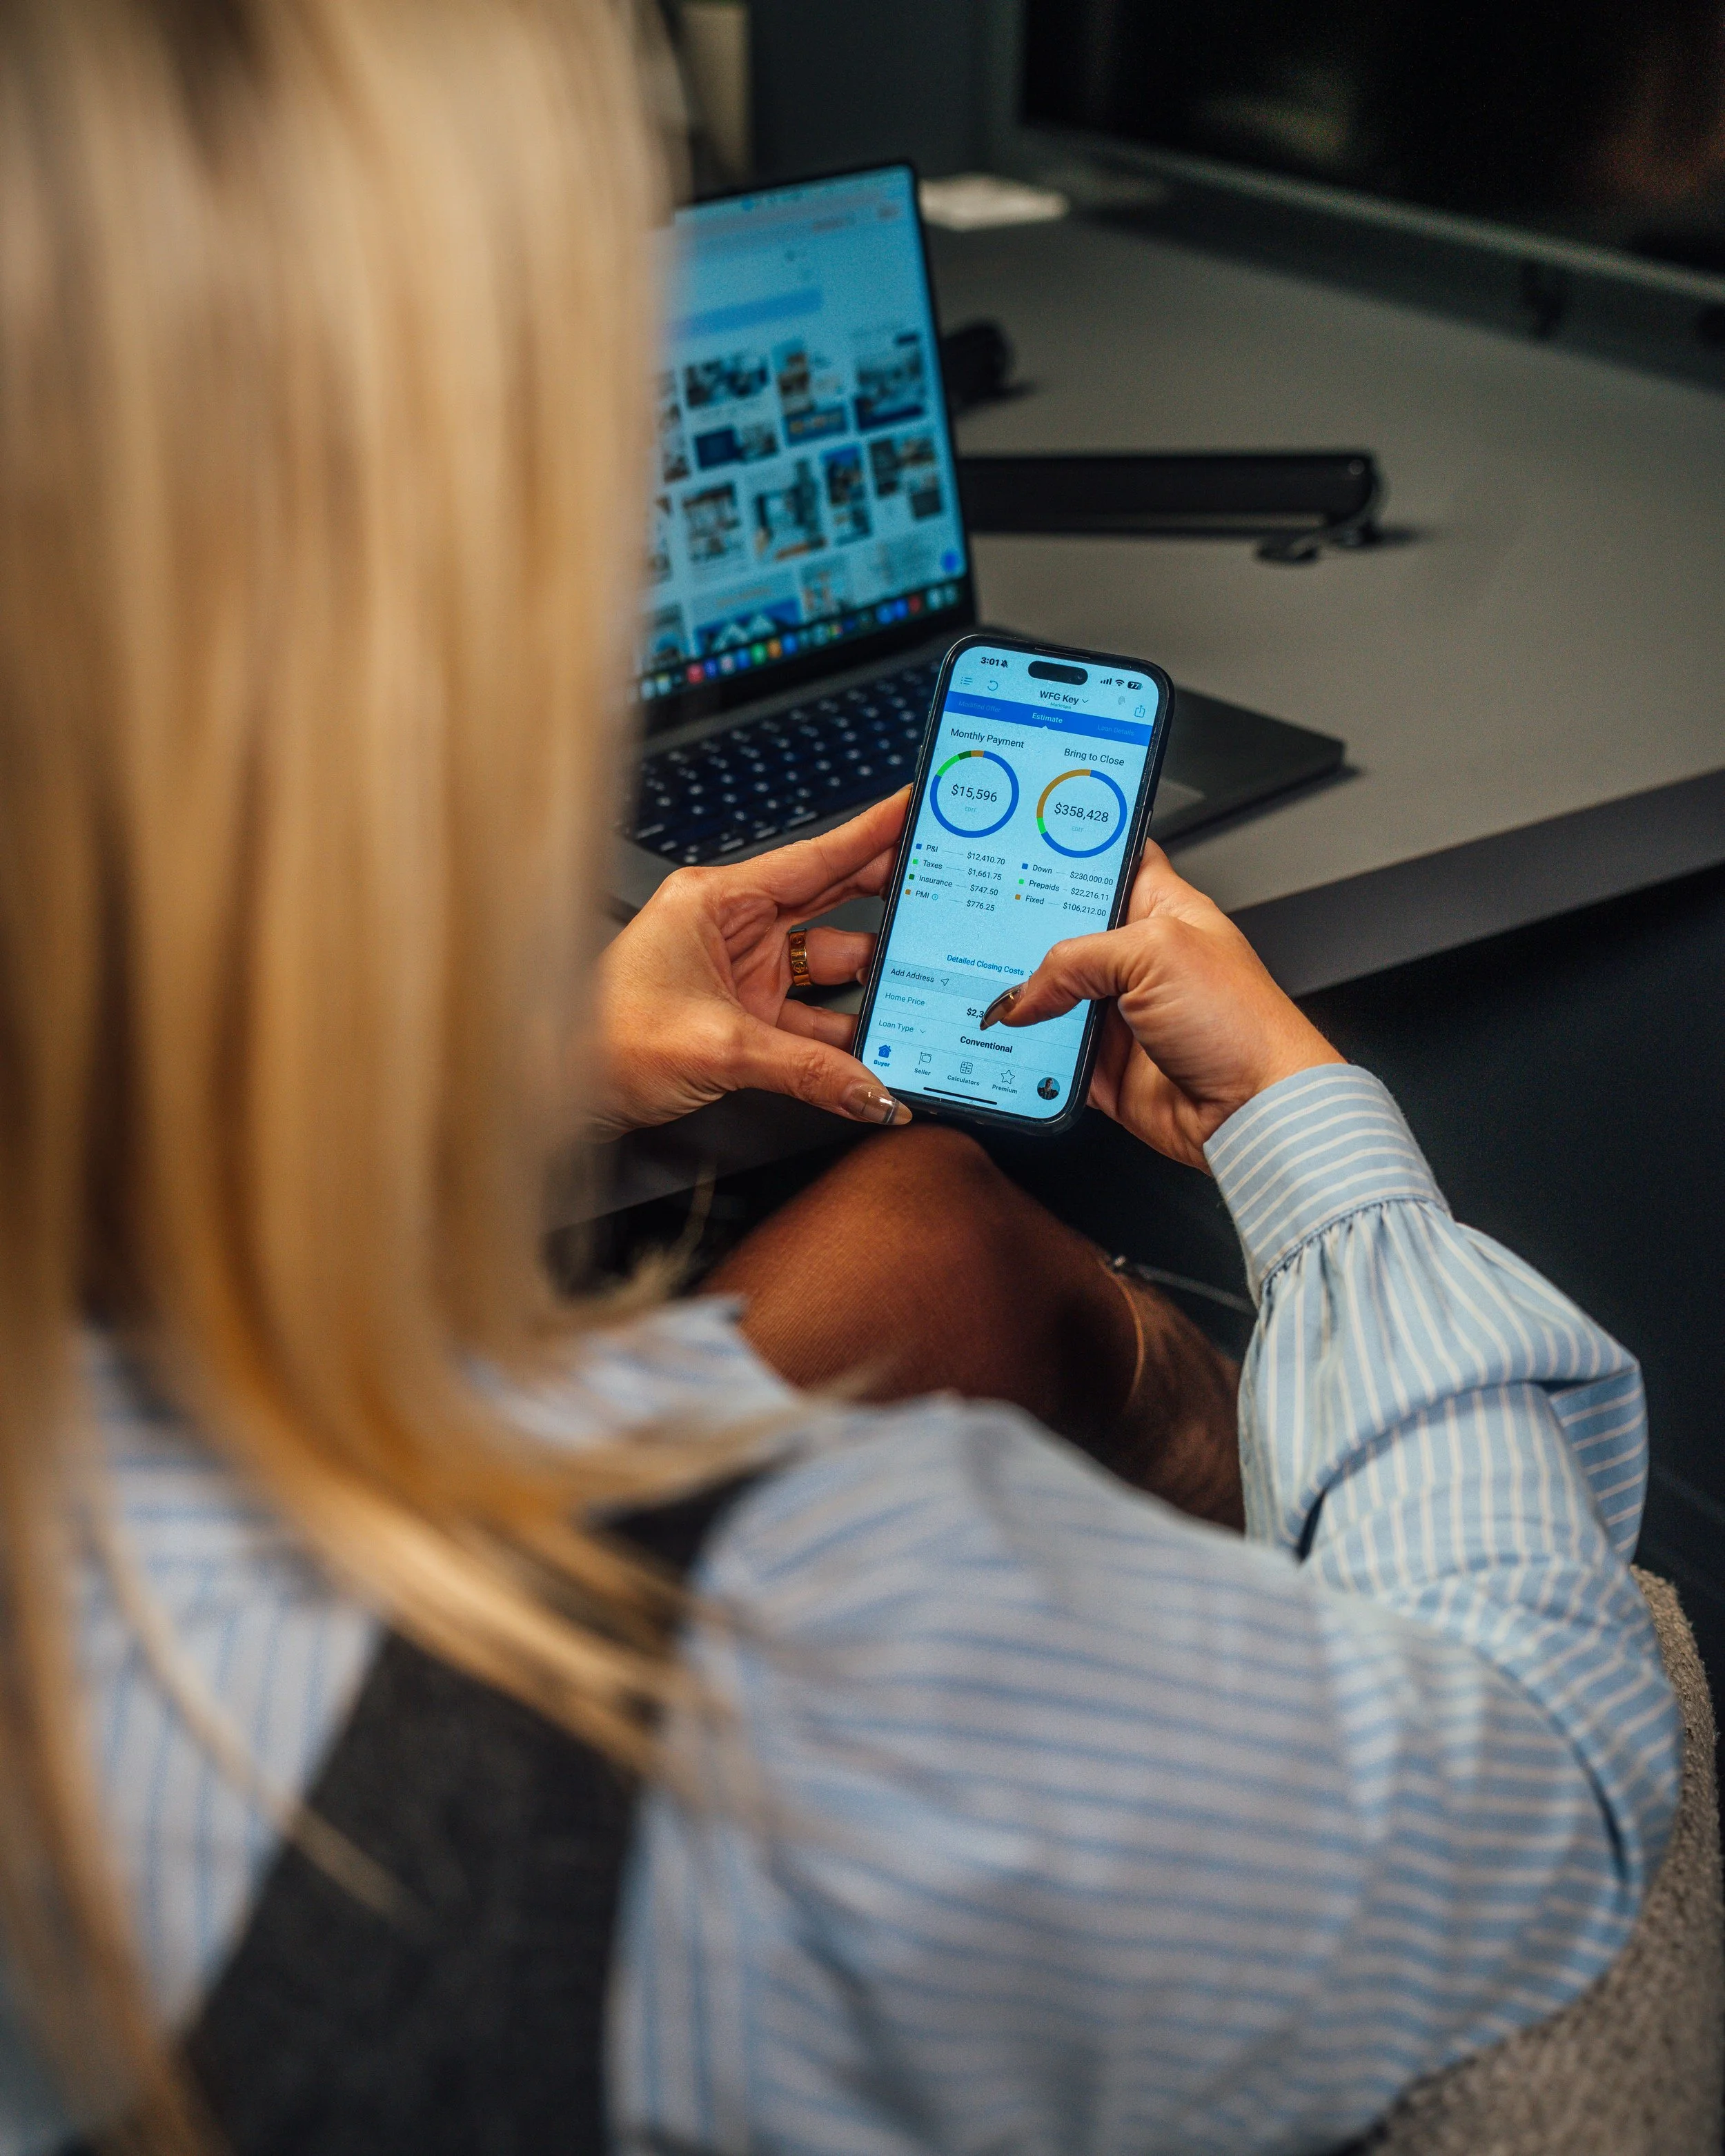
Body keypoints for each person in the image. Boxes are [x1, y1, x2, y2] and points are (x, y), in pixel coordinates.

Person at [0, 3, 1679, 2153]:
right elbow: (1542, 1793)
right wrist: (1307, 1137)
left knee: (938, 1237)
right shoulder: (794, 1668)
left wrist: (539, 1077)